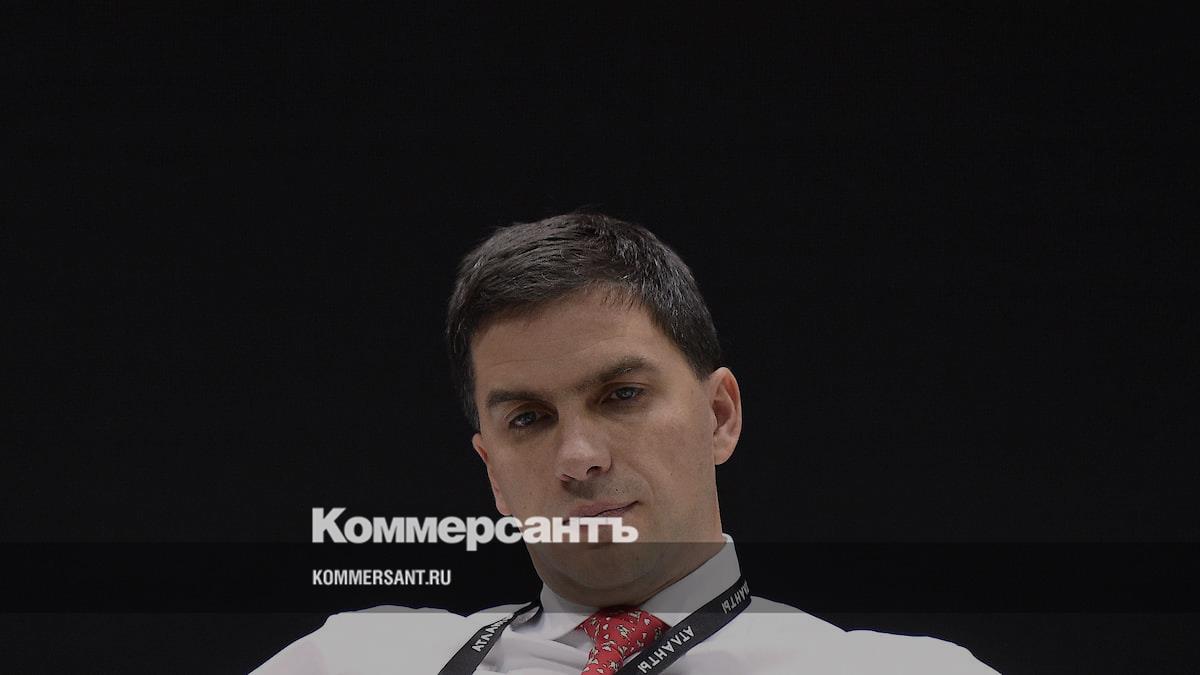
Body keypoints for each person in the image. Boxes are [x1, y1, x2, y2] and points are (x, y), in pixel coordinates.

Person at [253, 213, 999, 673]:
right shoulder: (354, 660)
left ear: (720, 415)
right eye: (529, 419)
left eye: (621, 395)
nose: (579, 457)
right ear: (494, 476)